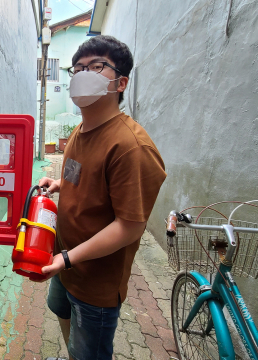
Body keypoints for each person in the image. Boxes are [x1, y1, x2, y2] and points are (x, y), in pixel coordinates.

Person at [37, 35, 167, 360]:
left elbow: (130, 226)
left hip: (95, 282)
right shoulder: (80, 132)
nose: (83, 74)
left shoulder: (130, 147)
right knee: (61, 312)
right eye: (77, 68)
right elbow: (78, 177)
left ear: (121, 83)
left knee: (89, 351)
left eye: (96, 67)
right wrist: (58, 184)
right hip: (65, 265)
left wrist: (66, 259)